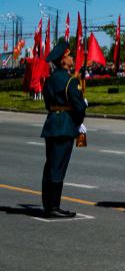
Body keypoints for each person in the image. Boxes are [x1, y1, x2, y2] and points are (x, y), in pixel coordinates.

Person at [38, 39, 86, 218]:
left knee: (50, 165)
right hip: (65, 126)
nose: (73, 58)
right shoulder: (69, 81)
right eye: (70, 56)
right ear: (63, 60)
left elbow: (47, 105)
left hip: (51, 125)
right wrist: (79, 122)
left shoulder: (50, 81)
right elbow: (79, 107)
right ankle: (53, 207)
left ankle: (47, 205)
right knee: (58, 167)